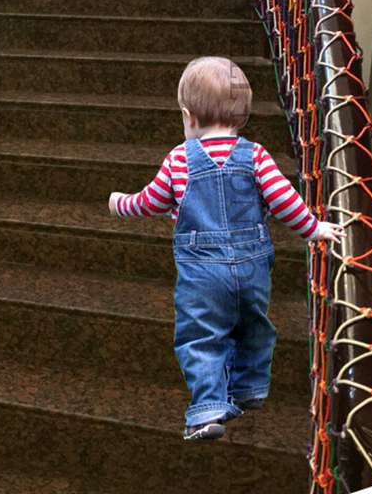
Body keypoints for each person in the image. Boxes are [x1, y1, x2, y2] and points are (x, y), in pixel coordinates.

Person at [108, 56, 344, 441]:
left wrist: (121, 203)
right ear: (242, 115)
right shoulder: (257, 156)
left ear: (188, 117)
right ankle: (251, 387)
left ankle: (207, 409)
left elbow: (150, 201)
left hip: (202, 274)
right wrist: (313, 228)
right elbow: (284, 199)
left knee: (201, 336)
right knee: (255, 325)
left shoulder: (179, 160)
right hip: (252, 269)